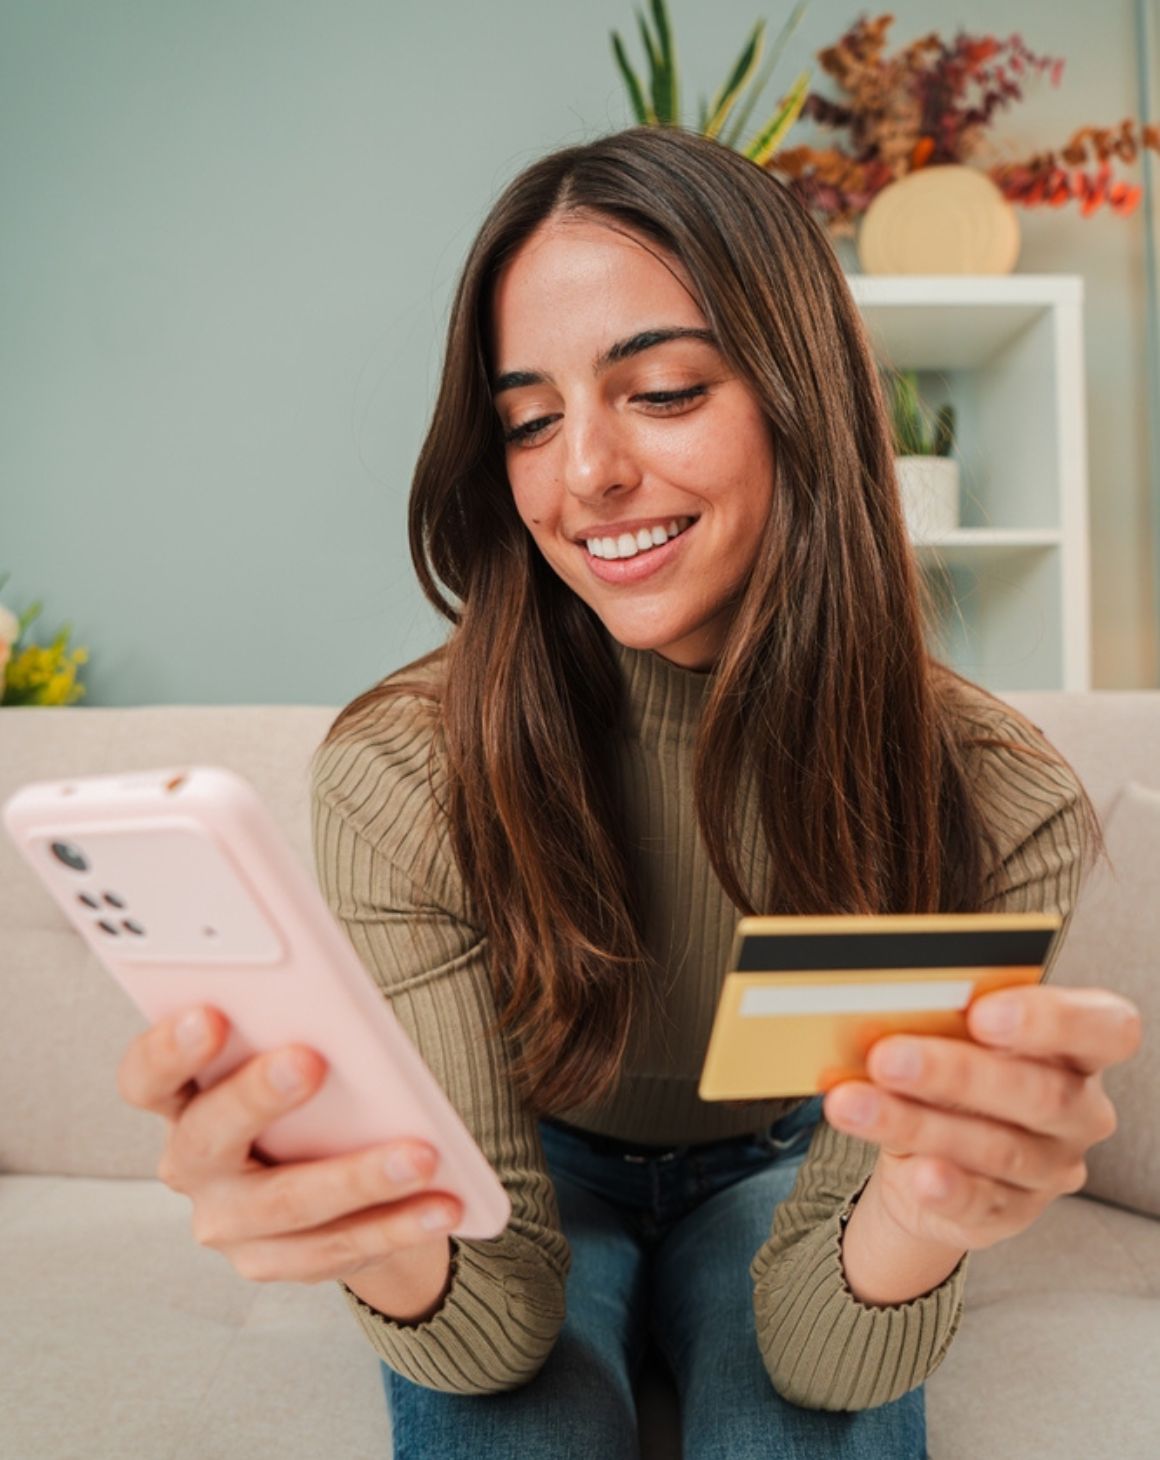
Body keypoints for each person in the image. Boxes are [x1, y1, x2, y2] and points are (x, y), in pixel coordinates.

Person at [116, 127, 1142, 1459]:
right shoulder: (402, 773)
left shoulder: (995, 799)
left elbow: (831, 1361)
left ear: (801, 396)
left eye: (660, 390)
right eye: (530, 419)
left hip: (787, 1150)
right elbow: (484, 1337)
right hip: (534, 1148)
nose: (583, 473)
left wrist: (920, 1213)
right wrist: (366, 1233)